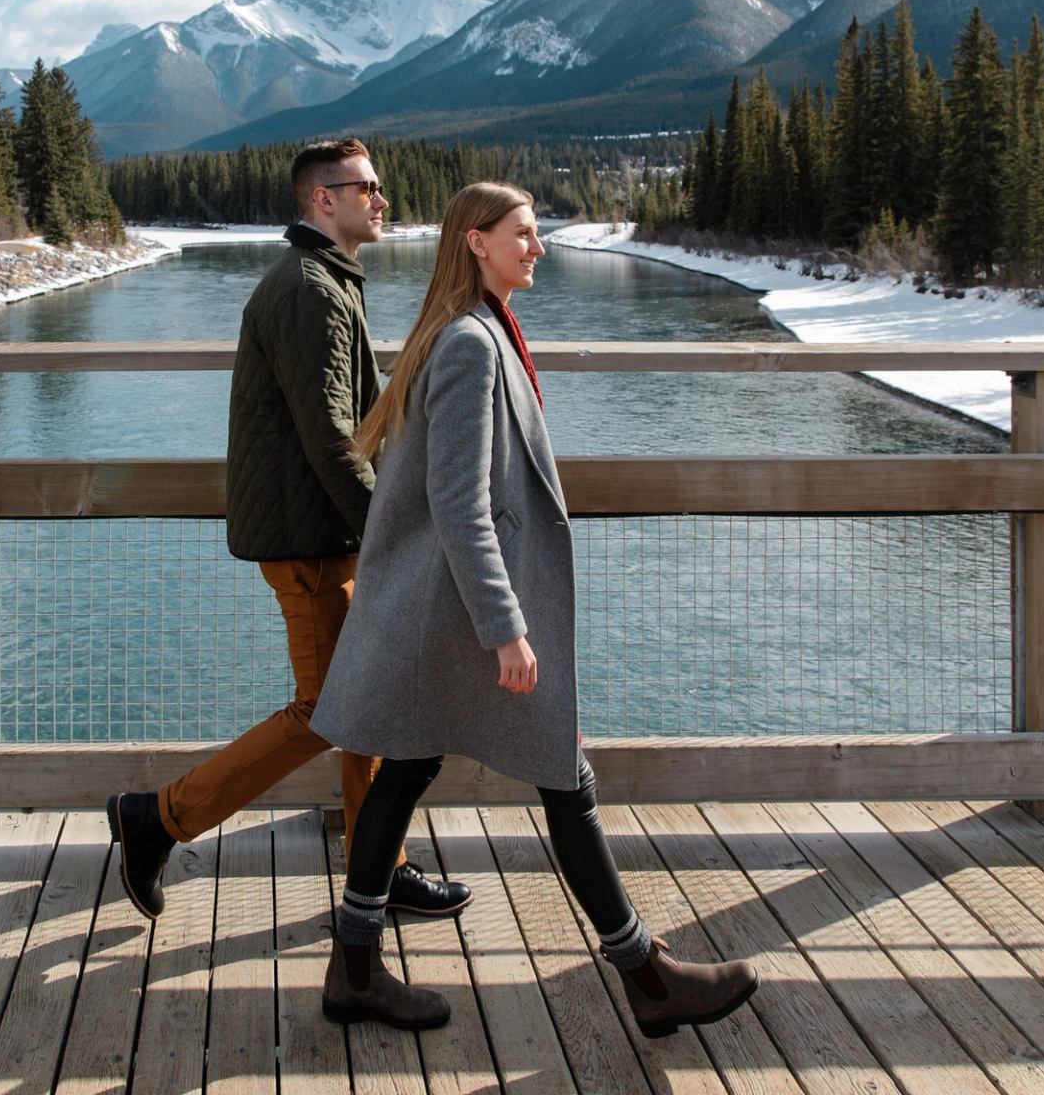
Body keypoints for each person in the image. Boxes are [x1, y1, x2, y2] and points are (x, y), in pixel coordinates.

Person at [309, 183, 760, 1033]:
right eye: (523, 233)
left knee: (410, 767)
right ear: (476, 242)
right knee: (563, 777)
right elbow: (459, 501)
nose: (539, 247)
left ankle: (355, 967)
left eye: (540, 234)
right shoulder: (474, 344)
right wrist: (507, 627)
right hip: (461, 616)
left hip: (438, 611)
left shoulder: (473, 330)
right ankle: (647, 977)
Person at [106, 138, 471, 924]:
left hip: (320, 533)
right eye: (365, 188)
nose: (382, 200)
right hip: (312, 542)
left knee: (362, 701)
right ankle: (157, 817)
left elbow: (352, 420)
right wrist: (389, 533)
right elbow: (332, 437)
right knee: (331, 709)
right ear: (321, 200)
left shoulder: (328, 280)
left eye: (380, 186)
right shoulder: (310, 290)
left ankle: (380, 863)